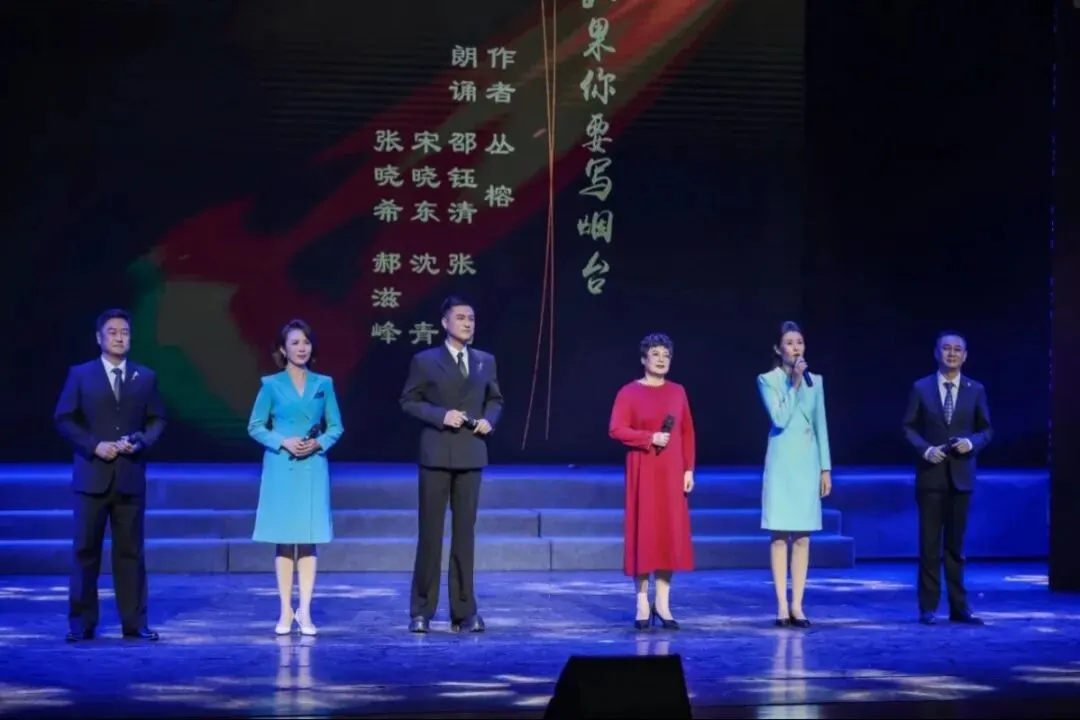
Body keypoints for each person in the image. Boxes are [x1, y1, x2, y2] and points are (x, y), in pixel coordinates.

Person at [54, 308, 167, 642]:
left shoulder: (145, 376)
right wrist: (94, 446)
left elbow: (157, 419)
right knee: (85, 551)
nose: (120, 338)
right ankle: (81, 624)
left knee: (130, 554)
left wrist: (140, 441)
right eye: (113, 332)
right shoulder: (80, 374)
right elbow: (64, 417)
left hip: (129, 477)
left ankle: (135, 623)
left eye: (125, 332)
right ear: (99, 337)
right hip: (91, 478)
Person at [400, 295, 504, 634]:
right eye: (460, 318)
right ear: (445, 322)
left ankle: (464, 611)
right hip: (436, 453)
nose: (467, 323)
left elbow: (495, 399)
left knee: (464, 536)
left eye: (471, 318)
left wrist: (489, 419)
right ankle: (421, 610)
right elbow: (409, 401)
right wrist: (440, 415)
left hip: (471, 452)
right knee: (430, 535)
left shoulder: (485, 361)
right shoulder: (425, 360)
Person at [248, 319, 343, 636]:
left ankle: (306, 610)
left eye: (306, 342)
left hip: (313, 466)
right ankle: (285, 610)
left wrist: (319, 443)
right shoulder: (270, 385)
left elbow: (336, 426)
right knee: (285, 539)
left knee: (309, 538)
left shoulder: (323, 384)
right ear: (283, 349)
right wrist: (282, 441)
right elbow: (255, 426)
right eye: (295, 343)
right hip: (281, 466)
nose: (302, 348)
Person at [902, 331, 992, 626]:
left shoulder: (975, 389)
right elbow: (908, 427)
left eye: (957, 350)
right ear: (936, 353)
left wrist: (971, 443)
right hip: (931, 477)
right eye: (946, 348)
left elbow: (986, 430)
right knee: (929, 546)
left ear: (965, 356)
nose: (951, 354)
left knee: (956, 547)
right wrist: (925, 450)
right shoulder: (921, 387)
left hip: (962, 477)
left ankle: (959, 607)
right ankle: (927, 607)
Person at [609, 333, 696, 630]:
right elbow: (617, 429)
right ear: (644, 359)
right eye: (655, 354)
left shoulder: (677, 391)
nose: (661, 359)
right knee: (644, 533)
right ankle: (642, 601)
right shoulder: (629, 392)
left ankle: (663, 602)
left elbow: (687, 432)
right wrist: (649, 438)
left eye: (666, 355)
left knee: (668, 534)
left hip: (672, 471)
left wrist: (688, 470)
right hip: (643, 470)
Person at [757, 320, 832, 628]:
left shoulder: (817, 381)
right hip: (782, 462)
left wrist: (825, 468)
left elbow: (821, 425)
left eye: (799, 342)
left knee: (802, 536)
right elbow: (780, 417)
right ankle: (780, 604)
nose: (795, 348)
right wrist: (795, 383)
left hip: (807, 462)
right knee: (779, 535)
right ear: (778, 349)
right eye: (789, 343)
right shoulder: (767, 380)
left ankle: (797, 605)